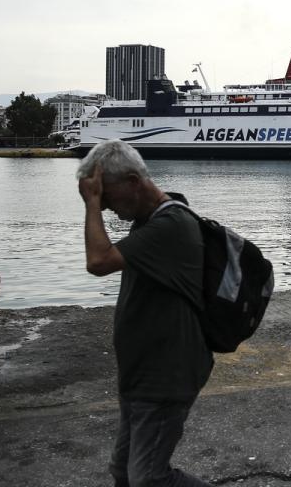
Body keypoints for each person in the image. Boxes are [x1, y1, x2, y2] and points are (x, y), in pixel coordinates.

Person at [77, 139, 213, 487]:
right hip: (141, 374)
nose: (106, 207)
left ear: (134, 183)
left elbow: (98, 261)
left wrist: (90, 205)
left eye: (107, 197)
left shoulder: (170, 225)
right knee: (124, 472)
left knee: (149, 478)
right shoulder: (149, 220)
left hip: (165, 375)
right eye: (101, 201)